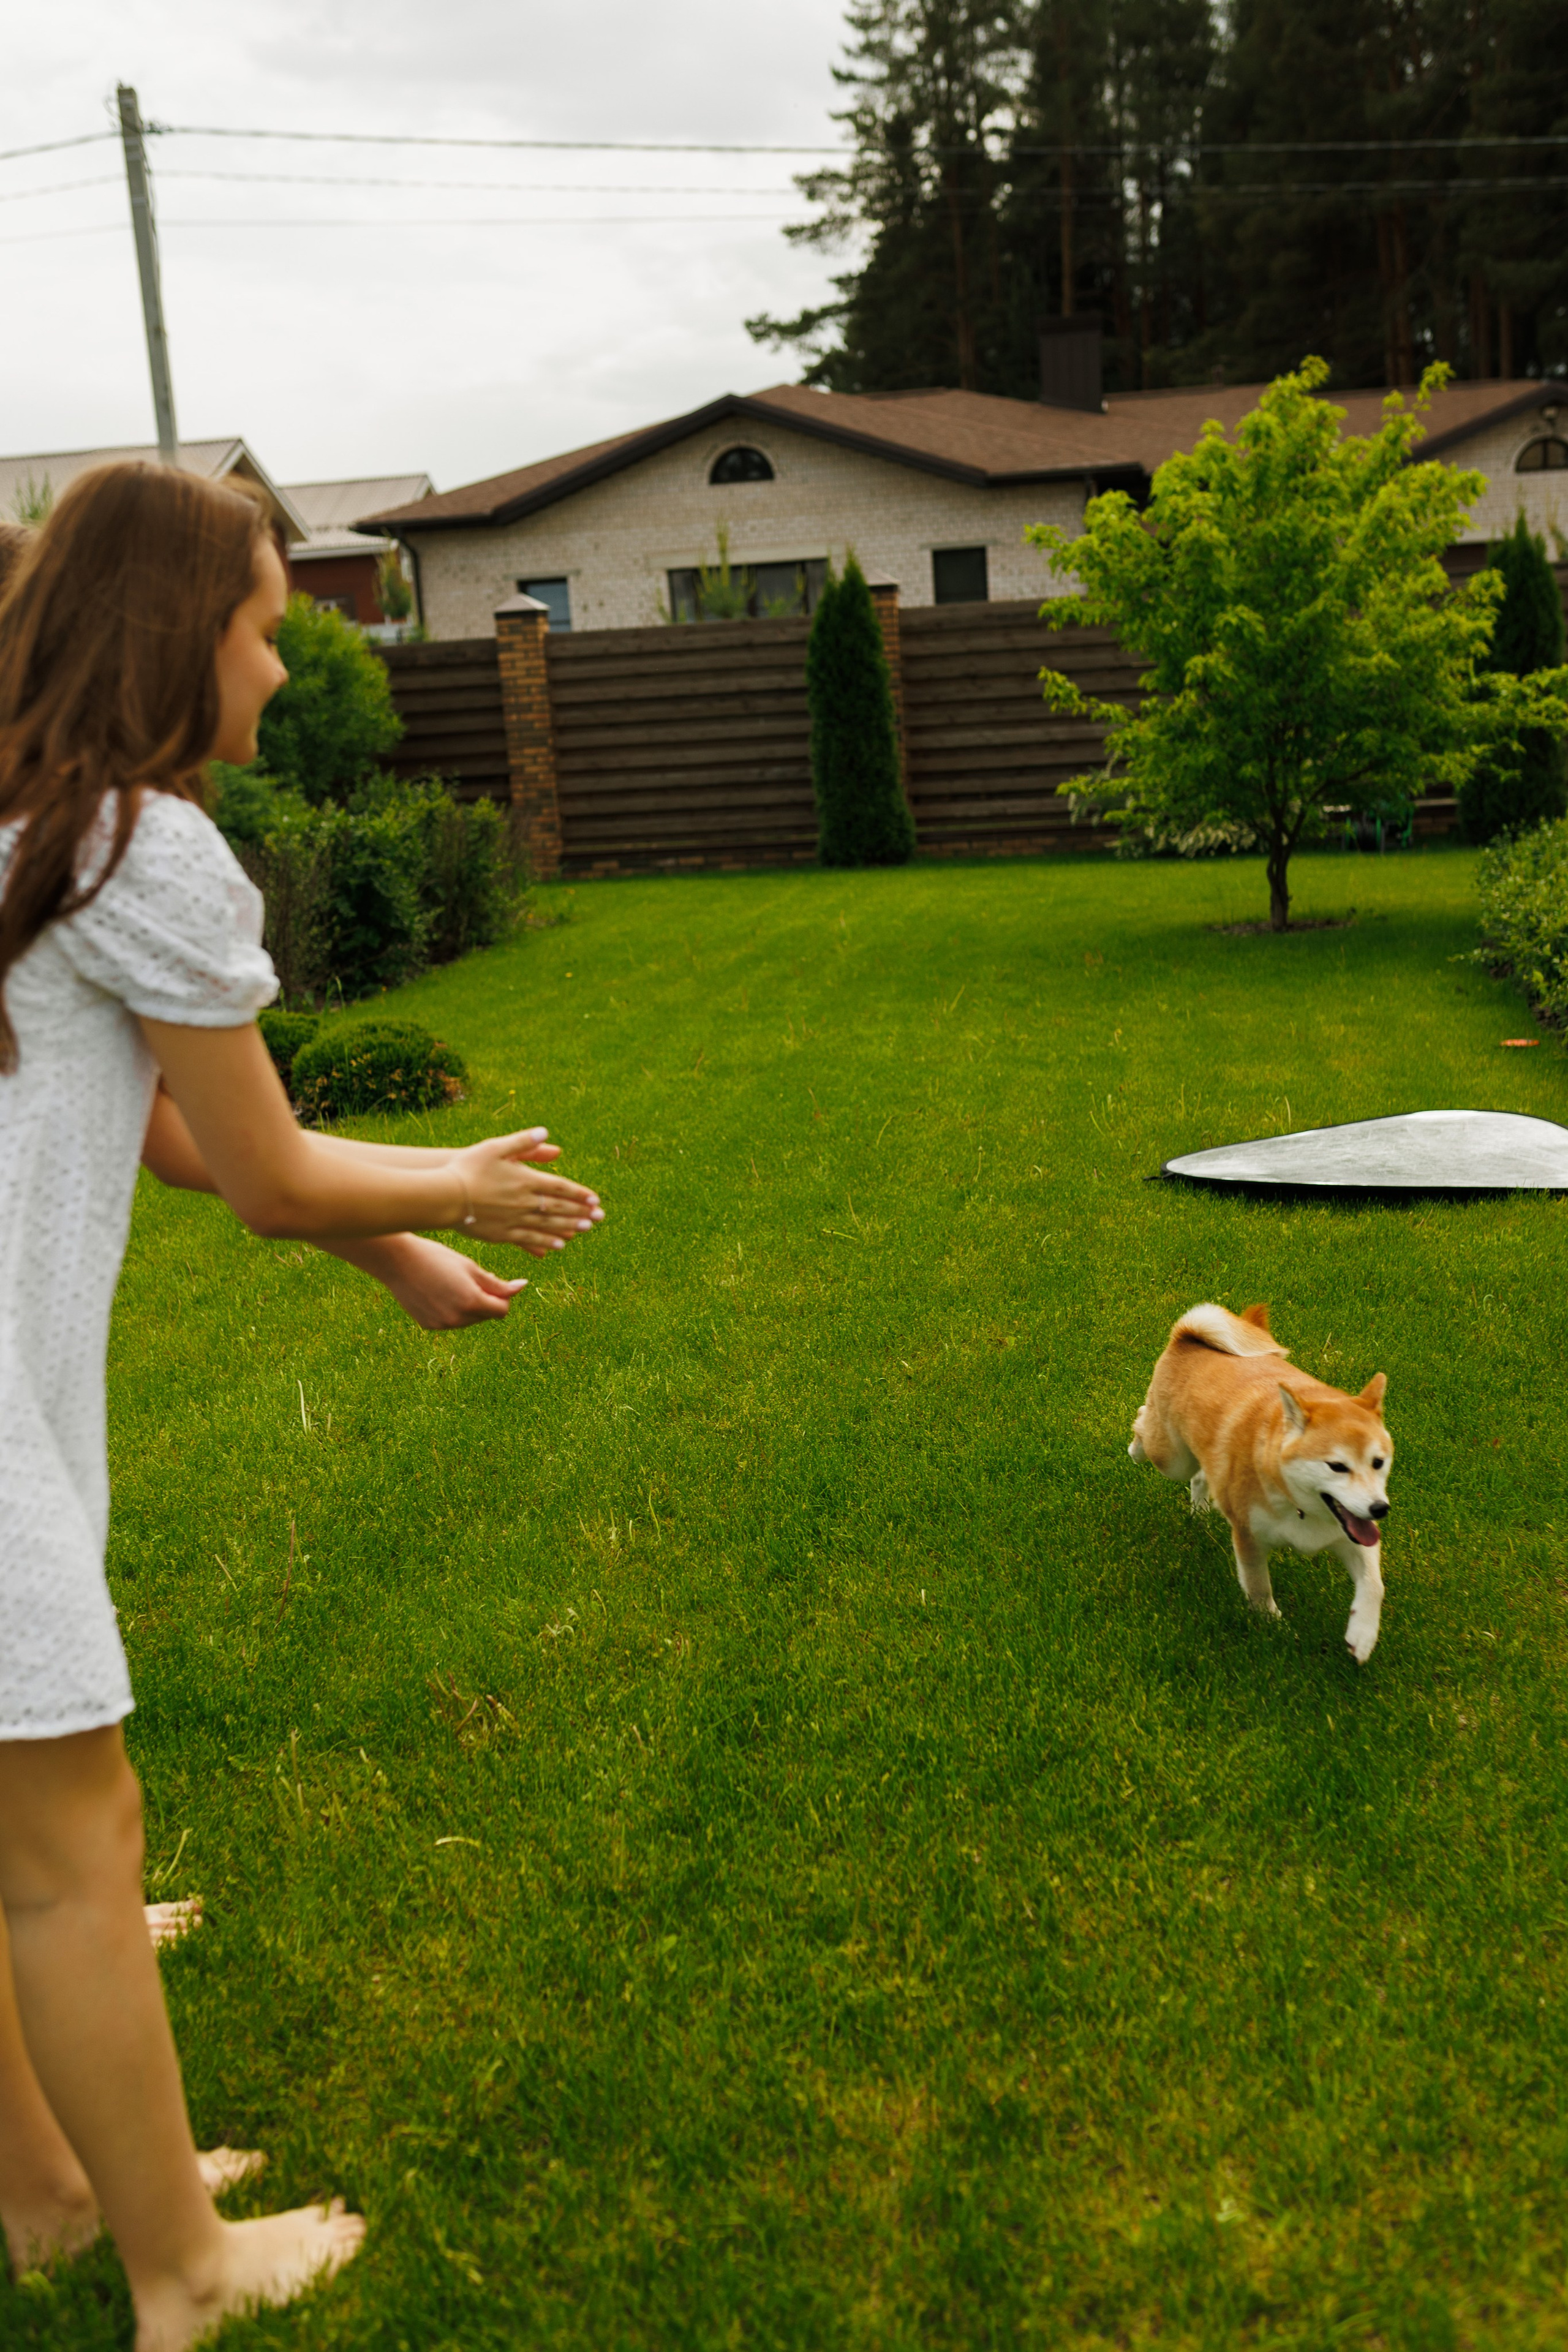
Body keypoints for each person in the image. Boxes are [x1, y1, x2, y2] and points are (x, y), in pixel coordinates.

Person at [0, 462, 603, 2348]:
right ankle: (183, 2275)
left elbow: (177, 1133)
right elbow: (262, 1170)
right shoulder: (139, 843)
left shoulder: (33, 818)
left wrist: (393, 1247)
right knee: (75, 1843)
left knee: (15, 1830)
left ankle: (48, 2201)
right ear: (181, 631)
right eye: (268, 627)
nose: (284, 662)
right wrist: (457, 1186)